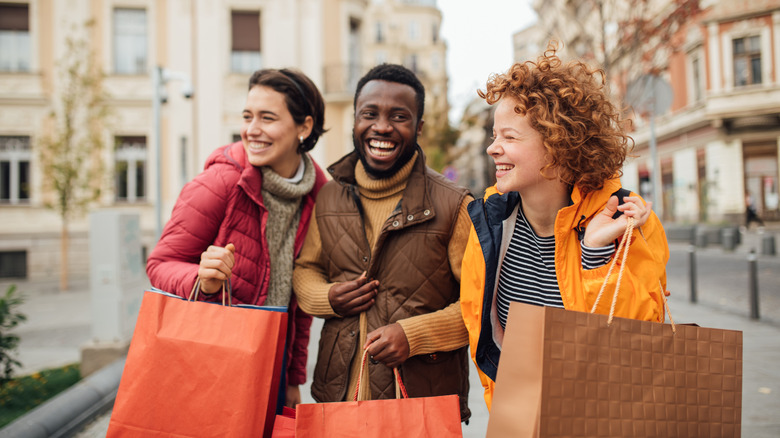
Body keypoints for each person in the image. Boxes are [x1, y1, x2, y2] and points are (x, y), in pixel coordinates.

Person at [460, 47, 670, 409]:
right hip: (523, 416)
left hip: (607, 418)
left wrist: (597, 254)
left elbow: (641, 341)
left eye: (509, 137)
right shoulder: (491, 224)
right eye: (494, 136)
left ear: (558, 142)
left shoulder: (627, 217)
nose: (493, 149)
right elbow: (484, 335)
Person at [292, 63, 473, 420]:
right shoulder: (329, 196)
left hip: (421, 405)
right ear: (355, 121)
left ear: (419, 127)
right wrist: (326, 298)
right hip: (338, 396)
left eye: (399, 116)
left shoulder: (455, 205)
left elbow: (479, 305)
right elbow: (305, 270)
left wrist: (413, 334)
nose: (382, 127)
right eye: (369, 114)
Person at [146, 68, 328, 408]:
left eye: (267, 118)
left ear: (304, 126)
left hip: (272, 368)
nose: (251, 130)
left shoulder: (319, 195)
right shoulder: (220, 183)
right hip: (210, 362)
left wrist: (292, 378)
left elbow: (298, 302)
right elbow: (160, 263)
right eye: (247, 116)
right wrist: (203, 280)